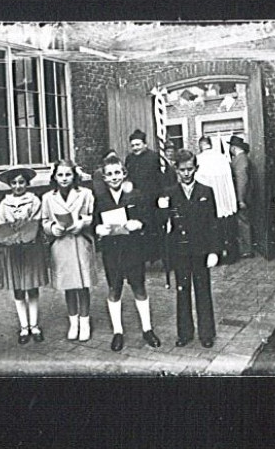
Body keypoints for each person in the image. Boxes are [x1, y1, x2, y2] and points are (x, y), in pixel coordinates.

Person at [92, 156, 161, 351]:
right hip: (111, 251)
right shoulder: (100, 199)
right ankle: (117, 331)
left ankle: (147, 329)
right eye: (110, 174)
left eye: (117, 173)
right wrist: (98, 230)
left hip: (133, 249)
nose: (114, 177)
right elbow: (94, 223)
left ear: (124, 174)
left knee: (139, 288)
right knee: (114, 289)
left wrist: (139, 224)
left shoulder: (136, 195)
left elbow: (148, 218)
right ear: (104, 178)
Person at [158, 149, 220, 348]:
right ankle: (184, 333)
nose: (186, 173)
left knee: (203, 291)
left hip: (201, 249)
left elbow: (213, 223)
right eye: (182, 170)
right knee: (182, 291)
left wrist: (213, 251)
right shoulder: (170, 193)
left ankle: (206, 333)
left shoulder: (205, 191)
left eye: (190, 169)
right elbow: (164, 224)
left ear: (196, 168)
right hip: (180, 251)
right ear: (176, 169)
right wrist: (162, 210)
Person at [41, 160, 96, 342]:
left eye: (68, 174)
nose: (64, 179)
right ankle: (73, 322)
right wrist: (51, 228)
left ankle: (85, 321)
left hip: (80, 242)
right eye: (60, 175)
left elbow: (92, 215)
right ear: (55, 177)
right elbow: (45, 220)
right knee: (68, 285)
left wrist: (82, 223)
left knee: (82, 284)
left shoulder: (86, 194)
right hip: (61, 244)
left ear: (74, 176)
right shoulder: (48, 197)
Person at [0, 166, 49, 345]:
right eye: (14, 183)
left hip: (31, 248)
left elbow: (35, 221)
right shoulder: (4, 203)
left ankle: (34, 326)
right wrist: (10, 232)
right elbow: (1, 224)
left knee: (32, 287)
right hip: (13, 249)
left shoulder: (34, 201)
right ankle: (24, 327)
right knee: (18, 289)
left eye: (21, 182)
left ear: (27, 183)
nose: (18, 186)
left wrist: (26, 229)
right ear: (9, 185)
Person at [124, 130, 167, 262]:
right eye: (133, 145)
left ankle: (159, 257)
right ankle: (142, 257)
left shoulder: (154, 158)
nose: (135, 148)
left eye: (138, 144)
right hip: (137, 201)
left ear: (145, 144)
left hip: (152, 200)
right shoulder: (130, 159)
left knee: (154, 229)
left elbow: (162, 179)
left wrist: (162, 195)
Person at [194, 136, 238, 263]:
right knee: (227, 228)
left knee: (212, 229)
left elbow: (198, 181)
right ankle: (230, 255)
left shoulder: (199, 159)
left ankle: (215, 255)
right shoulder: (222, 157)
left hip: (209, 200)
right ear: (210, 144)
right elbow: (229, 180)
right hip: (224, 198)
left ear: (201, 145)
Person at [229, 135, 254, 258]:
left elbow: (242, 180)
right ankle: (246, 248)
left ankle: (246, 250)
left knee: (243, 222)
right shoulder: (243, 158)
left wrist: (240, 199)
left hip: (242, 197)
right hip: (245, 195)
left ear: (233, 148)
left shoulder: (240, 160)